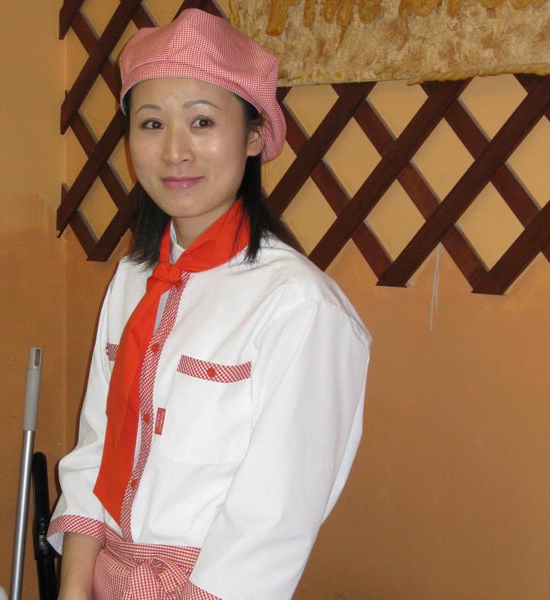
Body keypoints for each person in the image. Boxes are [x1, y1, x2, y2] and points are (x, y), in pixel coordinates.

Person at [47, 8, 371, 600]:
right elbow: (95, 449)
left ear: (253, 136)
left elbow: (269, 525)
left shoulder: (300, 308)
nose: (174, 151)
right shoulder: (131, 281)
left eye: (201, 121)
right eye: (151, 124)